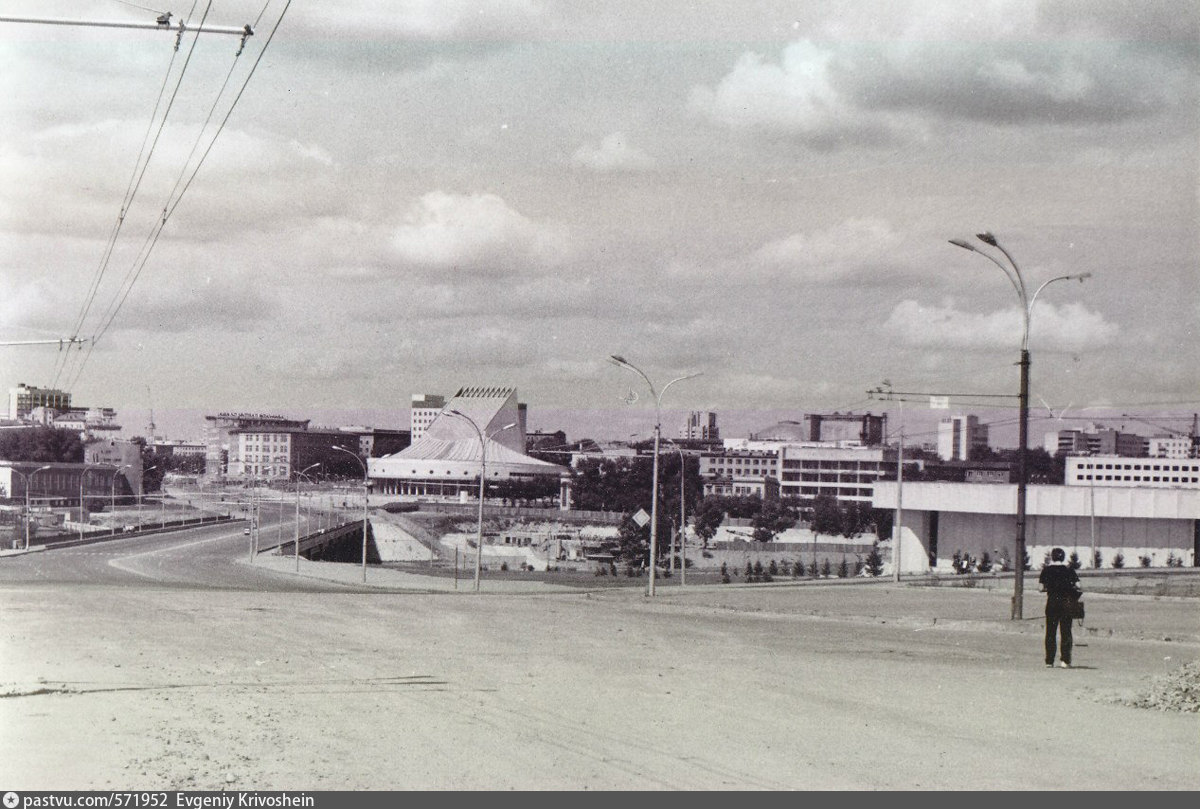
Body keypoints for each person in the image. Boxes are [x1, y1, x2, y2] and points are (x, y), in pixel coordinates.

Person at [1038, 547, 1081, 668]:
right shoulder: (1069, 570)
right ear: (1063, 557)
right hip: (1066, 604)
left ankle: (1049, 661)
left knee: (1050, 632)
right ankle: (1065, 661)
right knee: (1066, 632)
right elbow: (1079, 585)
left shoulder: (1046, 570)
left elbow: (1040, 588)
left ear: (1052, 557)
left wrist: (1050, 588)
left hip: (1052, 603)